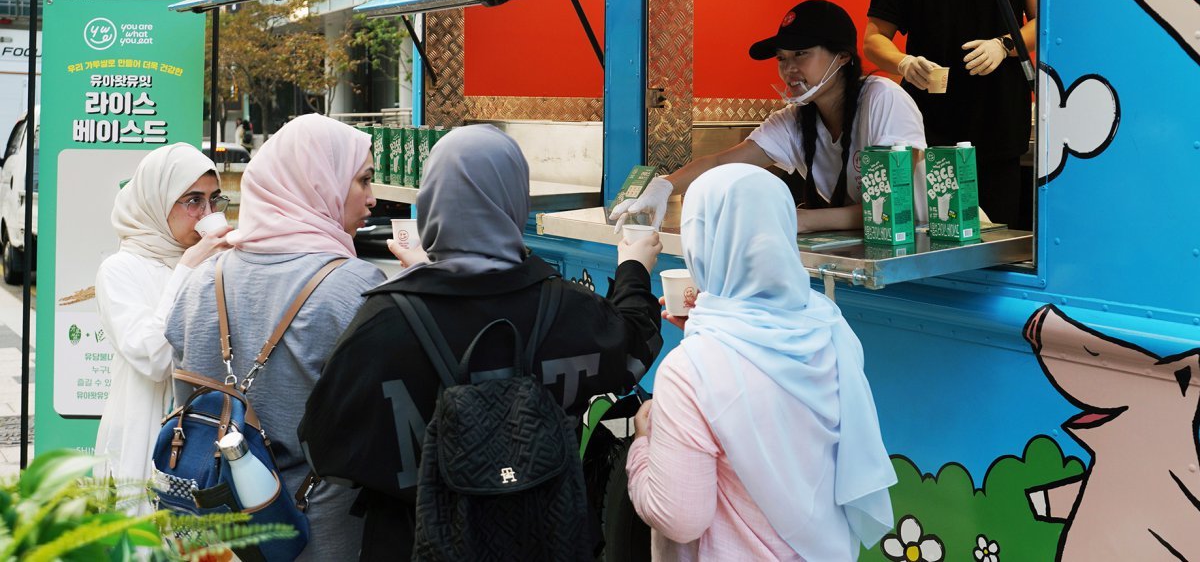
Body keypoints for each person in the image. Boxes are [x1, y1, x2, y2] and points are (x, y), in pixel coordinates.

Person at [298, 124, 665, 561]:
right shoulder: (564, 307)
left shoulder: (386, 319)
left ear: (432, 201)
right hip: (543, 539)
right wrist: (633, 269)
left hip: (412, 542)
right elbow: (632, 349)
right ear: (514, 200)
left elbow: (324, 445)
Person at [626, 163, 896, 560]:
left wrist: (642, 445)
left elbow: (680, 518)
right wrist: (707, 333)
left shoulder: (690, 372)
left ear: (700, 240)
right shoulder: (831, 327)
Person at [166, 114, 387, 560]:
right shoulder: (356, 287)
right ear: (319, 182)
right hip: (313, 532)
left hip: (213, 527)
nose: (372, 198)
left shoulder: (202, 279)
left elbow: (183, 393)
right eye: (362, 180)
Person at [611, 0, 927, 234]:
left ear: (843, 56)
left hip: (914, 248)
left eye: (801, 54)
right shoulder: (794, 119)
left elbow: (891, 207)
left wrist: (802, 219)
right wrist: (663, 186)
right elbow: (721, 164)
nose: (789, 69)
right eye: (781, 58)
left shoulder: (883, 99)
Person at [865, 0, 1037, 225]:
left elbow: (1046, 22)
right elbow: (873, 39)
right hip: (931, 132)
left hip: (1000, 125)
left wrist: (1004, 46)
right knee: (938, 235)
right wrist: (904, 63)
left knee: (997, 238)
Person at [94, 143, 232, 495]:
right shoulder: (120, 269)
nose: (206, 213)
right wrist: (187, 268)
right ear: (157, 202)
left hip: (210, 433)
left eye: (213, 200)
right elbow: (154, 358)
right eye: (192, 201)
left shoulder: (215, 265)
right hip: (146, 437)